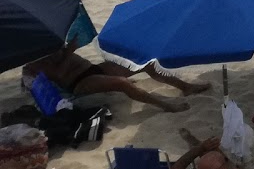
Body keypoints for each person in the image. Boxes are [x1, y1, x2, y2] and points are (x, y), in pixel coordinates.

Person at [25, 44, 208, 113]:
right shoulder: (34, 62)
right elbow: (58, 76)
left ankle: (186, 87)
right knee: (123, 83)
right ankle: (166, 105)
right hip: (79, 83)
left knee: (144, 63)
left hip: (93, 69)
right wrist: (69, 52)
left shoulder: (51, 39)